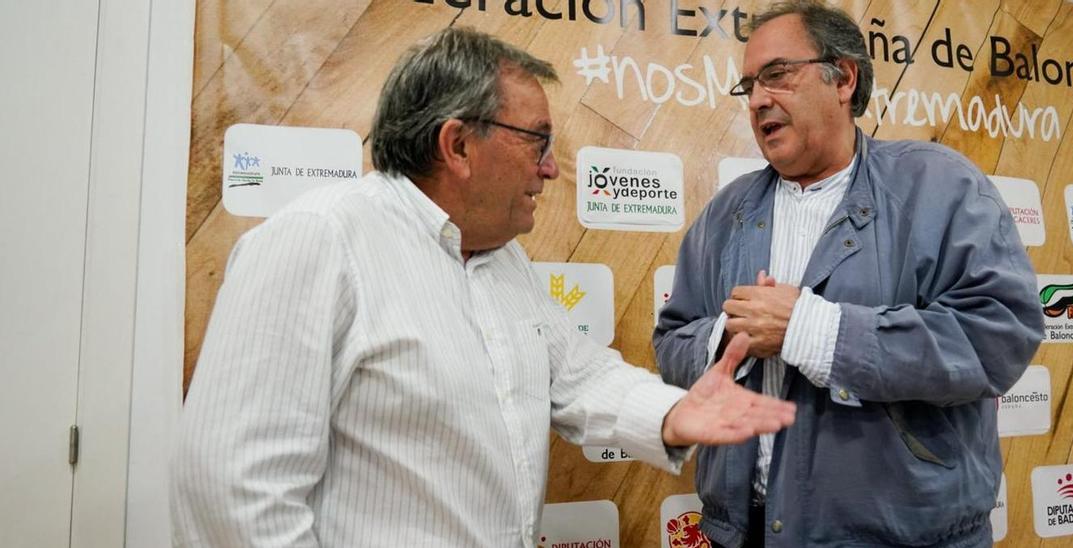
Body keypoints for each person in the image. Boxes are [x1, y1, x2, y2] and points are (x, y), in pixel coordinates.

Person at [171, 27, 796, 548]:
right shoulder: (319, 240)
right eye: (538, 142)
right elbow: (234, 494)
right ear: (459, 144)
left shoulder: (502, 261)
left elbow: (578, 378)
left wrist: (675, 411)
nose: (551, 167)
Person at [653, 1, 1045, 546]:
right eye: (749, 86)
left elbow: (997, 338)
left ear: (844, 79)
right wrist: (728, 337)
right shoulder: (725, 214)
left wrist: (809, 330)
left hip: (904, 535)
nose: (759, 98)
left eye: (777, 75)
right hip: (745, 532)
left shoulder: (940, 186)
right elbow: (672, 341)